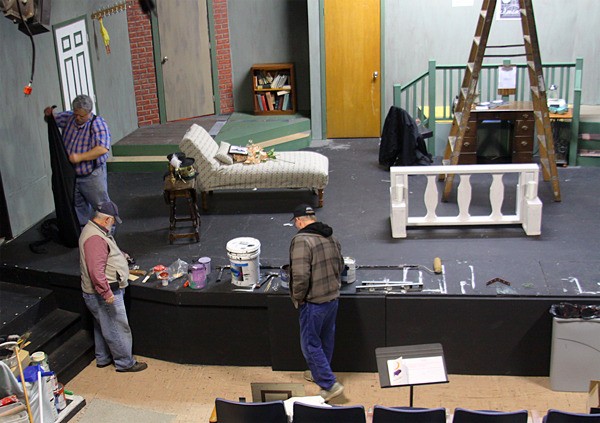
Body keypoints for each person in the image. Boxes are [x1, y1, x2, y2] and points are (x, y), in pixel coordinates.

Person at [79, 201, 147, 373]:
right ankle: (125, 363)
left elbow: (105, 254)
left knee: (104, 325)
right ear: (107, 219)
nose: (114, 224)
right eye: (113, 221)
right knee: (117, 327)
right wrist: (106, 292)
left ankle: (102, 358)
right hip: (104, 292)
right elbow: (96, 271)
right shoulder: (95, 238)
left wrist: (120, 256)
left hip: (98, 291)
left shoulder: (95, 231)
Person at [288, 204, 345, 401]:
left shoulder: (301, 240)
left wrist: (298, 296)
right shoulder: (331, 236)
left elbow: (300, 274)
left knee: (310, 344)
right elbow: (341, 265)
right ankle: (318, 372)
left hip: (313, 302)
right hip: (332, 298)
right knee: (326, 338)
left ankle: (329, 385)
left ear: (299, 220)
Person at [44, 94, 112, 227]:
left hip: (92, 175)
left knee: (101, 205)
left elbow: (102, 149)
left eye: (82, 116)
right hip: (73, 175)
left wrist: (80, 157)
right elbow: (53, 119)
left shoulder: (97, 124)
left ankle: (108, 232)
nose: (78, 118)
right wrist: (48, 115)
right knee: (77, 205)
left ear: (89, 112)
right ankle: (82, 233)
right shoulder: (69, 118)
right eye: (76, 114)